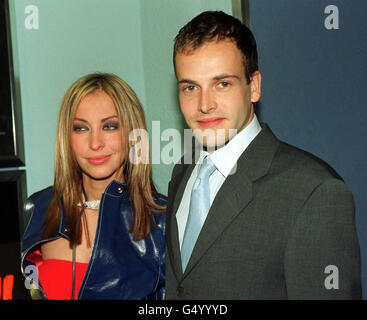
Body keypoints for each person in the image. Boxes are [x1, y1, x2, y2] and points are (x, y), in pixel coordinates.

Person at [165, 11, 361, 299]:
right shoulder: (182, 171)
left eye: (222, 84)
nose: (204, 104)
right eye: (190, 87)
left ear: (254, 86)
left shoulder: (315, 191)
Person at [21, 73, 166, 300]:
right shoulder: (41, 206)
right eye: (81, 128)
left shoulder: (163, 220)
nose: (95, 143)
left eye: (110, 126)